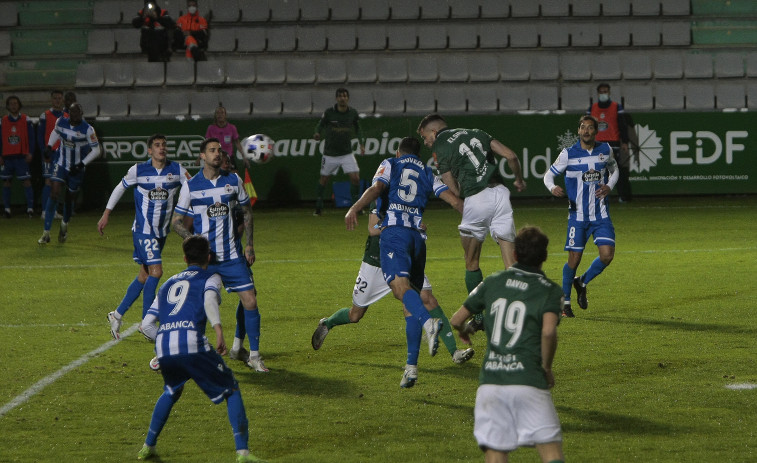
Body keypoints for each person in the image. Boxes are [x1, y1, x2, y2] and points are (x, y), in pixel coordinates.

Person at [311, 201, 475, 384]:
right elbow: (373, 229)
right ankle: (328, 323)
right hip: (376, 263)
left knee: (428, 299)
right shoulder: (383, 191)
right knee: (355, 314)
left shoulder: (410, 194)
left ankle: (454, 352)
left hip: (403, 260)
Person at [345, 137, 463, 386]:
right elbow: (453, 200)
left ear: (398, 152)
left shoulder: (391, 163)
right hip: (418, 240)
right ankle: (411, 367)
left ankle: (429, 323)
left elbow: (377, 187)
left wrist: (354, 208)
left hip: (395, 235)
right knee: (411, 303)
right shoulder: (427, 172)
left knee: (400, 289)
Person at [137, 235, 264, 463]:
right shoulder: (211, 276)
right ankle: (243, 453)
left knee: (171, 390)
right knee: (231, 389)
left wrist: (165, 340)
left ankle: (148, 446)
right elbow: (208, 301)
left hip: (166, 348)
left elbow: (146, 325)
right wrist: (217, 330)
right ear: (208, 257)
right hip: (193, 343)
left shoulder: (168, 283)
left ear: (184, 258)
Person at [450, 226, 565, 463]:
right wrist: (546, 368)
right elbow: (548, 331)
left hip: (491, 382)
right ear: (544, 257)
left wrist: (465, 332)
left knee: (495, 452)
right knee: (550, 450)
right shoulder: (550, 291)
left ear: (514, 254)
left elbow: (456, 319)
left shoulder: (492, 282)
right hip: (529, 380)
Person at [417, 114, 526, 333]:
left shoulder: (440, 147)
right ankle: (521, 314)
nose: (426, 143)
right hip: (501, 194)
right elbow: (511, 156)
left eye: (425, 137)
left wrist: (462, 197)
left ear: (434, 132)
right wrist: (519, 179)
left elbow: (453, 189)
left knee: (471, 261)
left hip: (476, 199)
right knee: (511, 262)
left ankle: (478, 317)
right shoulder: (478, 133)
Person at [172, 137, 269, 372]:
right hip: (206, 261)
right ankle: (177, 351)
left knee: (251, 300)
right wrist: (190, 239)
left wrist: (249, 245)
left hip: (232, 256)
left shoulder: (233, 180)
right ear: (202, 157)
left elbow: (246, 211)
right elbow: (176, 221)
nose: (218, 153)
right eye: (212, 150)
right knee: (194, 307)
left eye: (219, 150)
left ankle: (254, 356)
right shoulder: (191, 185)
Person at [98, 134, 190, 340]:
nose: (162, 148)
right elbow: (120, 187)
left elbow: (193, 186)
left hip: (161, 232)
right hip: (143, 230)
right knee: (156, 272)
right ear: (149, 150)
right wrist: (107, 213)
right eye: (157, 145)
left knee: (145, 275)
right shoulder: (138, 170)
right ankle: (147, 323)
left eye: (164, 145)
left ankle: (117, 314)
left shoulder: (177, 170)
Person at [543, 115, 618, 318]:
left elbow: (614, 169)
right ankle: (565, 304)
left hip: (600, 214)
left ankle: (581, 282)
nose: (586, 131)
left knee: (607, 255)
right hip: (578, 216)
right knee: (573, 259)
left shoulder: (605, 150)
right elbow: (548, 175)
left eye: (590, 128)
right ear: (578, 131)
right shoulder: (568, 154)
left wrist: (609, 186)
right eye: (582, 127)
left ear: (596, 131)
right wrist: (552, 187)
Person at [38, 102, 100, 244]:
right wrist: (49, 145)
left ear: (81, 114)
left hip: (76, 169)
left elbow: (97, 150)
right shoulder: (61, 122)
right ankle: (46, 233)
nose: (75, 116)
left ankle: (64, 225)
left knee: (69, 198)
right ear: (69, 113)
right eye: (73, 113)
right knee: (54, 193)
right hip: (60, 163)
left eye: (78, 113)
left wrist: (81, 164)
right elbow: (56, 132)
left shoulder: (88, 129)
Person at [313, 87, 365, 216]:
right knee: (324, 179)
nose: (343, 98)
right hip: (330, 154)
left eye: (345, 96)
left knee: (355, 178)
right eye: (340, 96)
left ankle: (356, 207)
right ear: (336, 98)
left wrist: (361, 143)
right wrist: (317, 133)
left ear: (348, 98)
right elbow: (320, 124)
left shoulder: (352, 113)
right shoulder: (329, 113)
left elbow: (358, 129)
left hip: (346, 153)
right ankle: (318, 207)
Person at [587, 82, 631, 202]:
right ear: (597, 93)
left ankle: (623, 196)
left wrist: (625, 142)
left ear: (609, 92)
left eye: (605, 91)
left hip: (613, 144)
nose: (603, 94)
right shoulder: (592, 108)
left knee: (616, 172)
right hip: (597, 145)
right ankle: (597, 197)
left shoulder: (617, 107)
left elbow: (622, 125)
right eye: (601, 92)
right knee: (597, 173)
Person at [0, 96, 36, 218]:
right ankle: (7, 210)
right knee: (7, 182)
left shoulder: (26, 120)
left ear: (19, 105)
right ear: (8, 106)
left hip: (21, 156)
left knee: (26, 181)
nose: (13, 105)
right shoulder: (3, 121)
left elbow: (32, 138)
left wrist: (30, 152)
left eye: (15, 103)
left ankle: (30, 209)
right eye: (11, 103)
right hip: (7, 157)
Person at [37, 90, 67, 221]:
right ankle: (45, 211)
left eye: (60, 98)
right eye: (55, 98)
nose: (57, 100)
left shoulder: (67, 115)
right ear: (51, 100)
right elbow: (40, 135)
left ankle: (53, 210)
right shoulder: (45, 115)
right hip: (50, 153)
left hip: (62, 153)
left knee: (57, 183)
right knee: (48, 181)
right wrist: (44, 151)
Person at [205, 105, 247, 169]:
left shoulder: (232, 128)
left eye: (222, 113)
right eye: (218, 113)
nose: (220, 115)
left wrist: (244, 157)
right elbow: (206, 144)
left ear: (225, 115)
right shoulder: (211, 128)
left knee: (235, 177)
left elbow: (237, 143)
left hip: (229, 158)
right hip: (216, 159)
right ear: (215, 115)